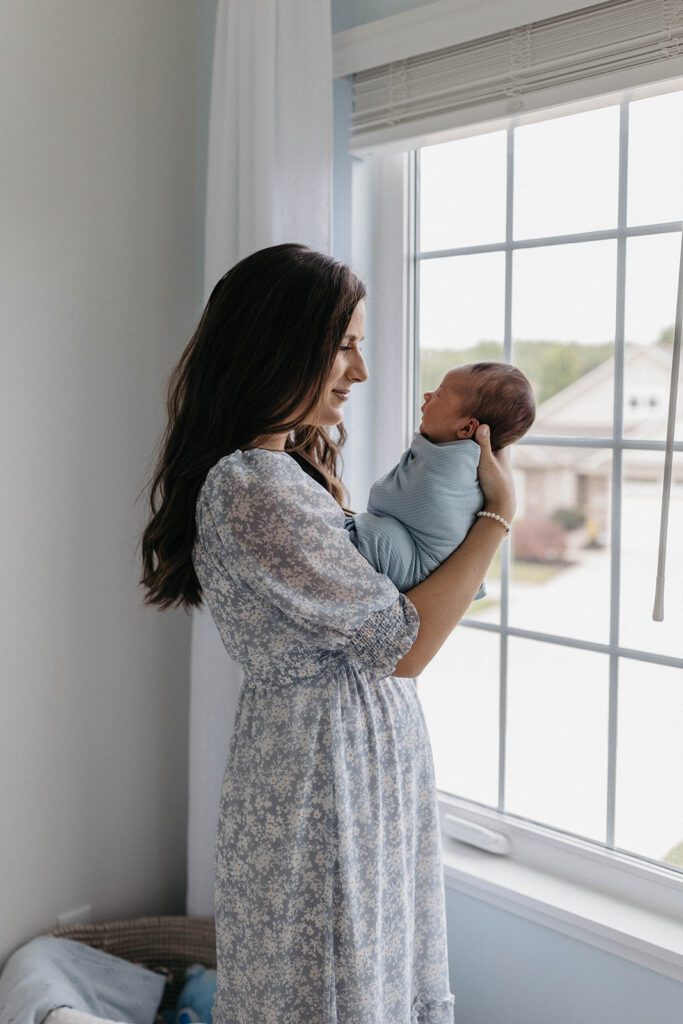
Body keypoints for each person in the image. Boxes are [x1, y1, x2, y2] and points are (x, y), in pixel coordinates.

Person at [138, 243, 515, 1024]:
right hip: (323, 769)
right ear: (281, 346)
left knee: (362, 978)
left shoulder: (285, 474)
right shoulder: (254, 487)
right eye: (343, 345)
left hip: (346, 753)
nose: (360, 370)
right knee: (334, 989)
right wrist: (496, 516)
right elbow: (404, 647)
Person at [344, 362, 535, 594]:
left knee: (372, 536)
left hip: (415, 569)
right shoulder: (465, 462)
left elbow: (384, 496)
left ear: (466, 429)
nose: (427, 394)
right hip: (431, 569)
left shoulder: (451, 466)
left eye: (439, 394)